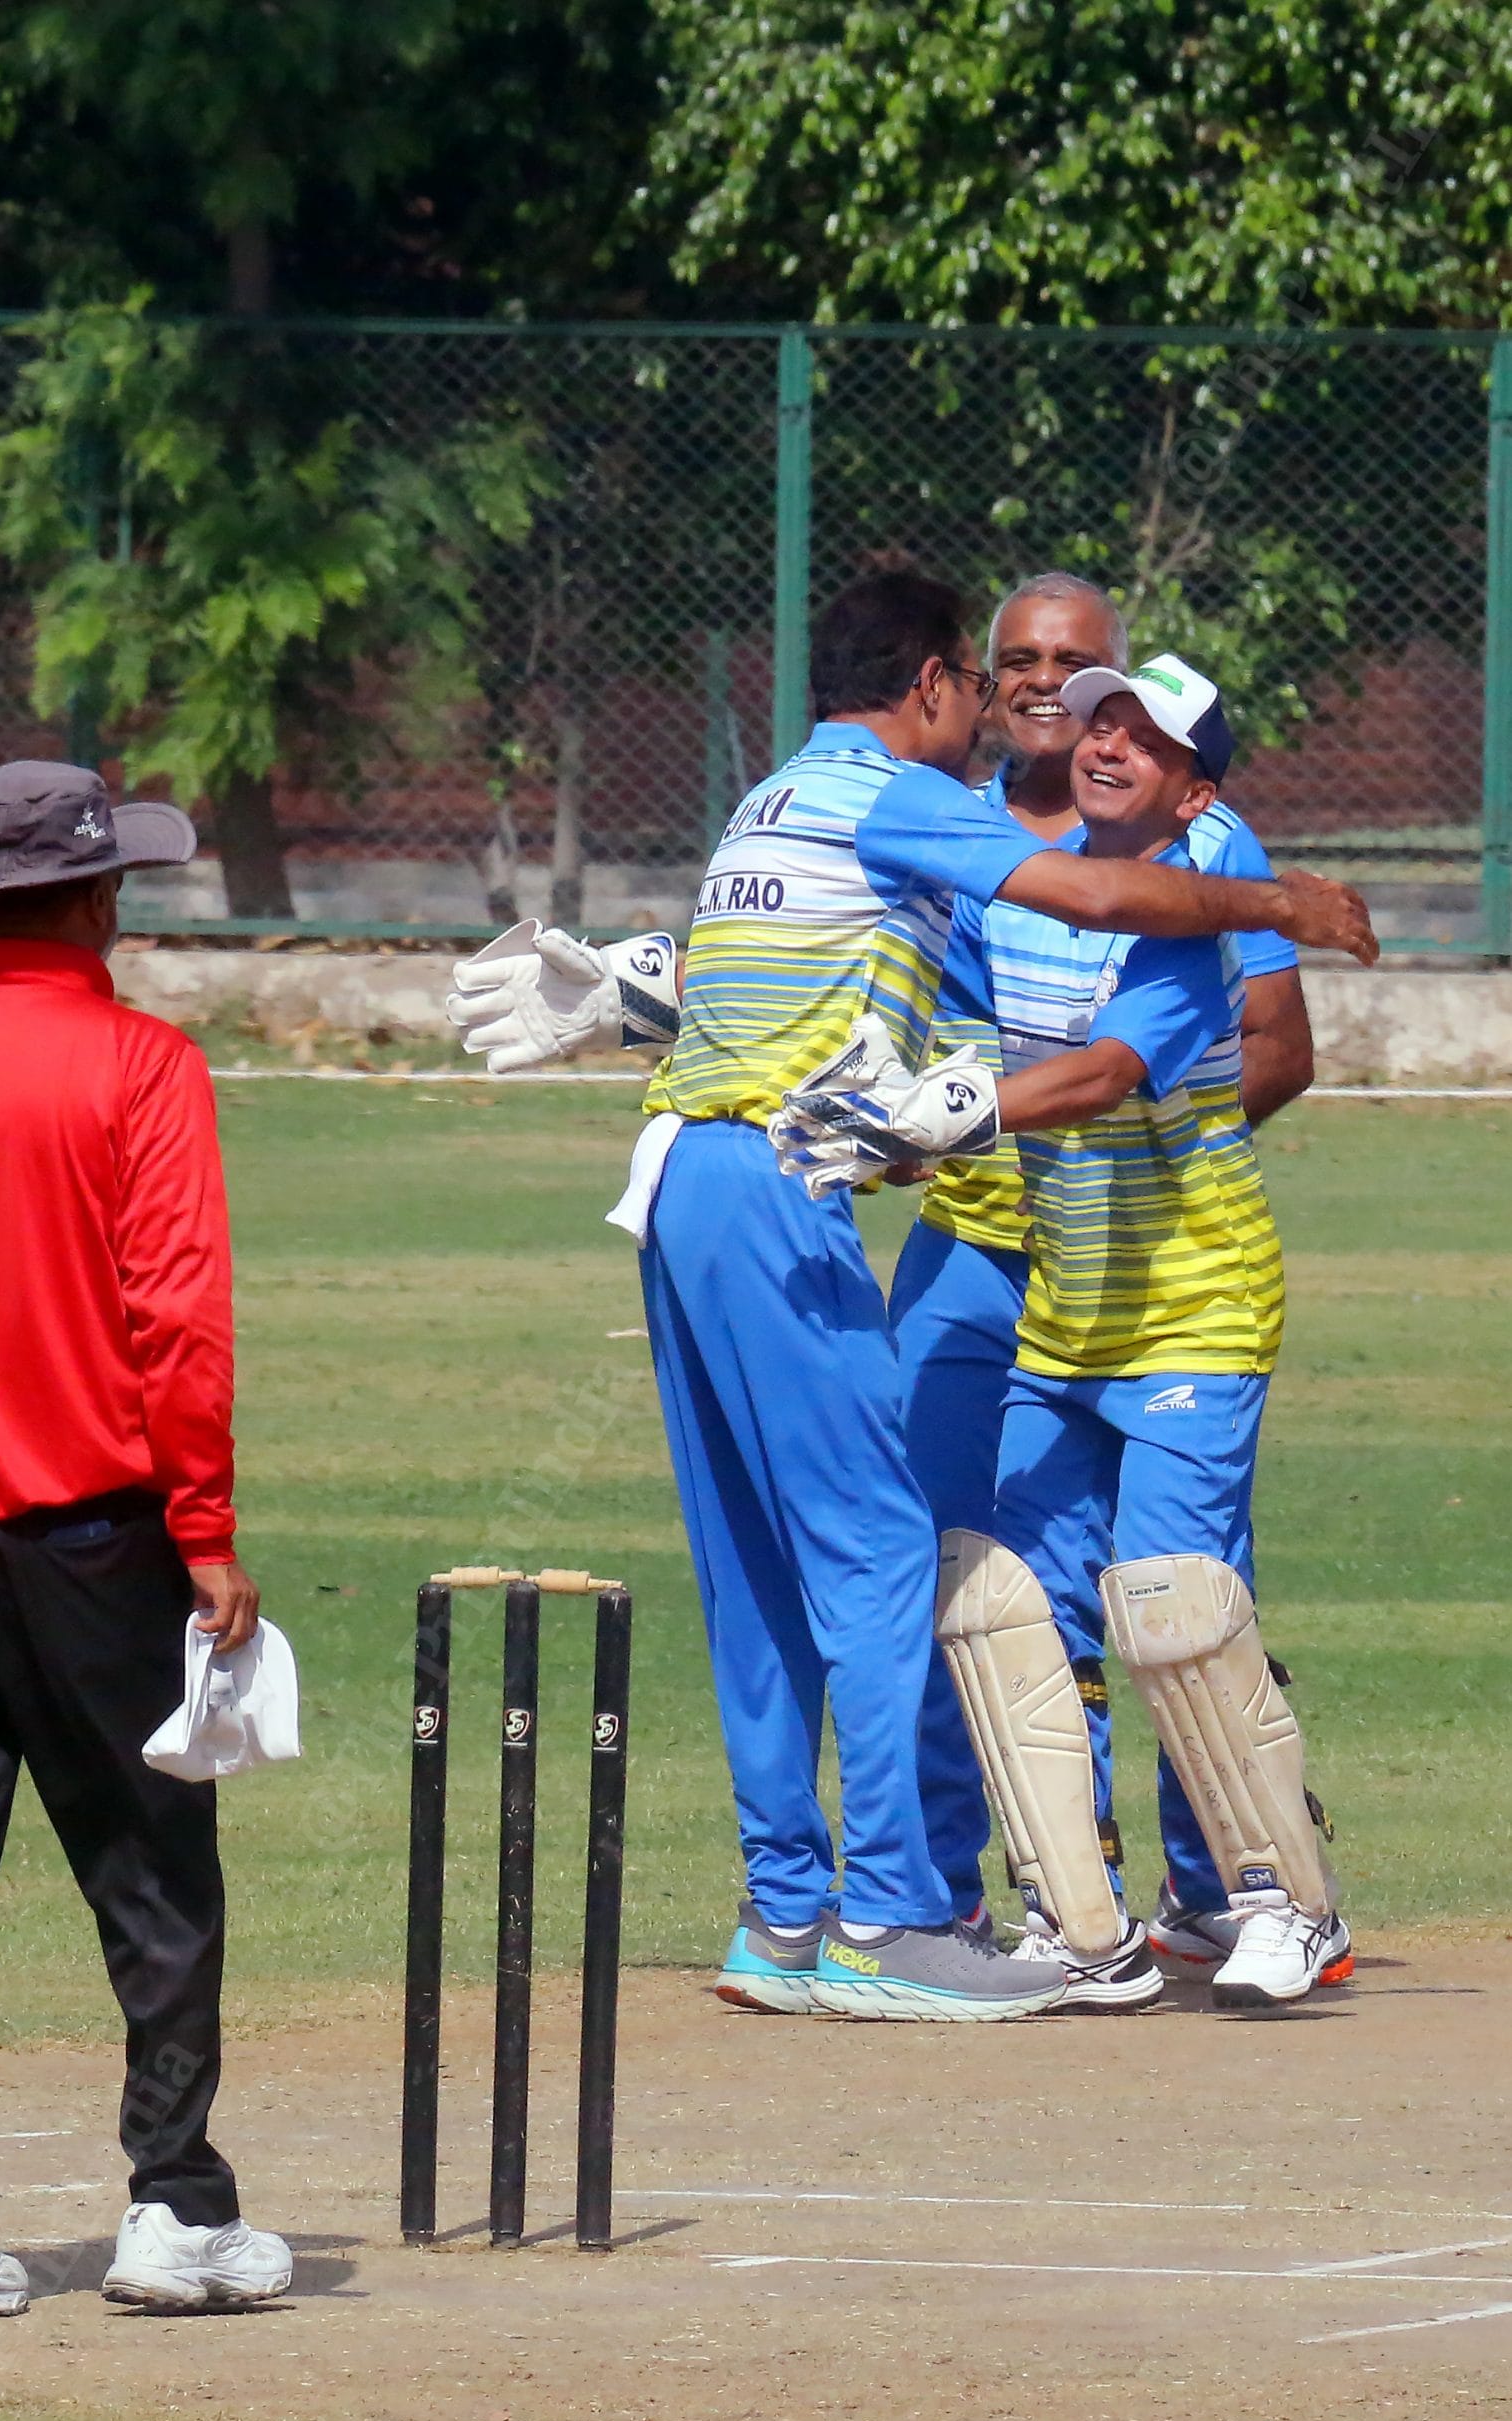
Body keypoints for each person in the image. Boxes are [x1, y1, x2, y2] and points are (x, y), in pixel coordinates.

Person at [447, 573, 1375, 2027]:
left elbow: (1107, 1033)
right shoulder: (917, 803)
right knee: (909, 1560)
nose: (1060, 699)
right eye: (1028, 667)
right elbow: (979, 946)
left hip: (902, 1215)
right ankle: (906, 1909)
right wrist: (1289, 906)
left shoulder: (793, 796)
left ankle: (1221, 1895)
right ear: (953, 679)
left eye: (1092, 681)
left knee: (1115, 1591)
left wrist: (996, 1113)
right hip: (844, 1203)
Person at [770, 655, 1352, 2013]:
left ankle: (1281, 1903)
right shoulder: (1021, 891)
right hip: (1064, 1312)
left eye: (1142, 741)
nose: (1104, 746)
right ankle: (1075, 1922)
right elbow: (900, 984)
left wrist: (958, 1111)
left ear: (1194, 787)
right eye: (1100, 723)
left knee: (1172, 1610)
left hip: (1194, 1305)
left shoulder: (1183, 922)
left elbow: (1097, 1077)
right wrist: (692, 1009)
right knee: (1019, 1616)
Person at [0, 761, 292, 2323]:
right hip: (93, 1538)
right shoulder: (139, 1064)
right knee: (152, 1871)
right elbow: (177, 1318)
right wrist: (203, 1528)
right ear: (99, 897)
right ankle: (172, 2206)